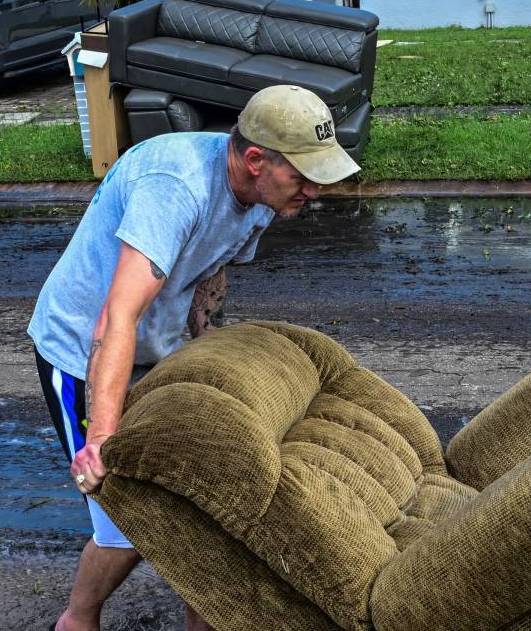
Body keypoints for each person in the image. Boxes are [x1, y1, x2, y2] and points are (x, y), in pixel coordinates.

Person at [29, 84, 360, 631]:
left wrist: (205, 360)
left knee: (202, 502)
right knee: (127, 515)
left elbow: (210, 274)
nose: (315, 190)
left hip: (159, 343)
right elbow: (115, 320)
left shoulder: (260, 196)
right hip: (84, 352)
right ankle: (77, 620)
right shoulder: (176, 187)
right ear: (256, 160)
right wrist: (105, 437)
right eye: (303, 176)